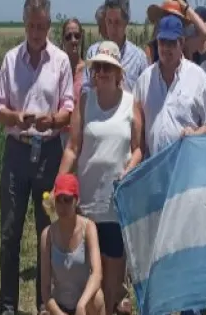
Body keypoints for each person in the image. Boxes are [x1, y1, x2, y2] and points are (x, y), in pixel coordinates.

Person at [0, 0, 75, 315]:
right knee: (10, 231)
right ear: (24, 23)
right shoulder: (11, 60)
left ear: (49, 25)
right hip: (17, 150)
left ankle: (45, 303)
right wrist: (17, 118)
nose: (37, 32)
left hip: (49, 153)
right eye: (31, 25)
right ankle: (8, 304)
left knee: (47, 231)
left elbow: (68, 108)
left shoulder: (60, 61)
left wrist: (52, 120)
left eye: (42, 26)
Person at [59, 41, 143, 315]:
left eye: (108, 67)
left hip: (115, 206)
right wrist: (60, 181)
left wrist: (130, 167)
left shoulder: (132, 104)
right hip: (87, 205)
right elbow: (73, 147)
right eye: (98, 68)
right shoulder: (85, 102)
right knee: (89, 281)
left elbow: (137, 149)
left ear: (119, 72)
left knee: (113, 281)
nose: (102, 73)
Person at [134, 15, 206, 157]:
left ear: (181, 43)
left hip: (187, 165)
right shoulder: (145, 80)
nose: (166, 48)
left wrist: (195, 134)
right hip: (153, 166)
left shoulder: (197, 76)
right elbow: (137, 122)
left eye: (171, 43)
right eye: (162, 42)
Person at [40, 174, 105, 315]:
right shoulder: (47, 235)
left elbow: (97, 274)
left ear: (77, 200)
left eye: (68, 200)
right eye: (59, 200)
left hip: (85, 305)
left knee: (97, 297)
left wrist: (81, 305)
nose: (63, 206)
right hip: (60, 306)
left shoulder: (88, 228)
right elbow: (45, 289)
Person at [61, 18, 86, 148]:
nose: (73, 40)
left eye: (77, 36)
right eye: (68, 36)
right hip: (58, 137)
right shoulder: (56, 70)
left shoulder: (89, 70)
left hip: (82, 136)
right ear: (63, 40)